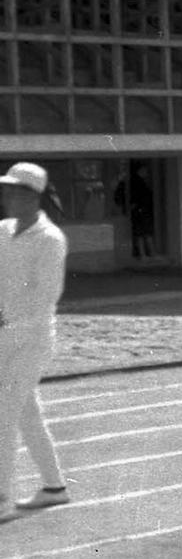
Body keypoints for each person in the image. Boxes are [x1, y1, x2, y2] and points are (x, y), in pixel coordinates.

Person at [0, 163, 72, 518]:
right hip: (3, 338)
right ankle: (54, 486)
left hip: (33, 339)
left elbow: (47, 294)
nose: (9, 197)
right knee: (25, 413)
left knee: (4, 413)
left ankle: (2, 499)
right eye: (7, 190)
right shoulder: (2, 231)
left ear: (34, 196)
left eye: (17, 191)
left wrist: (8, 318)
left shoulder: (50, 239)